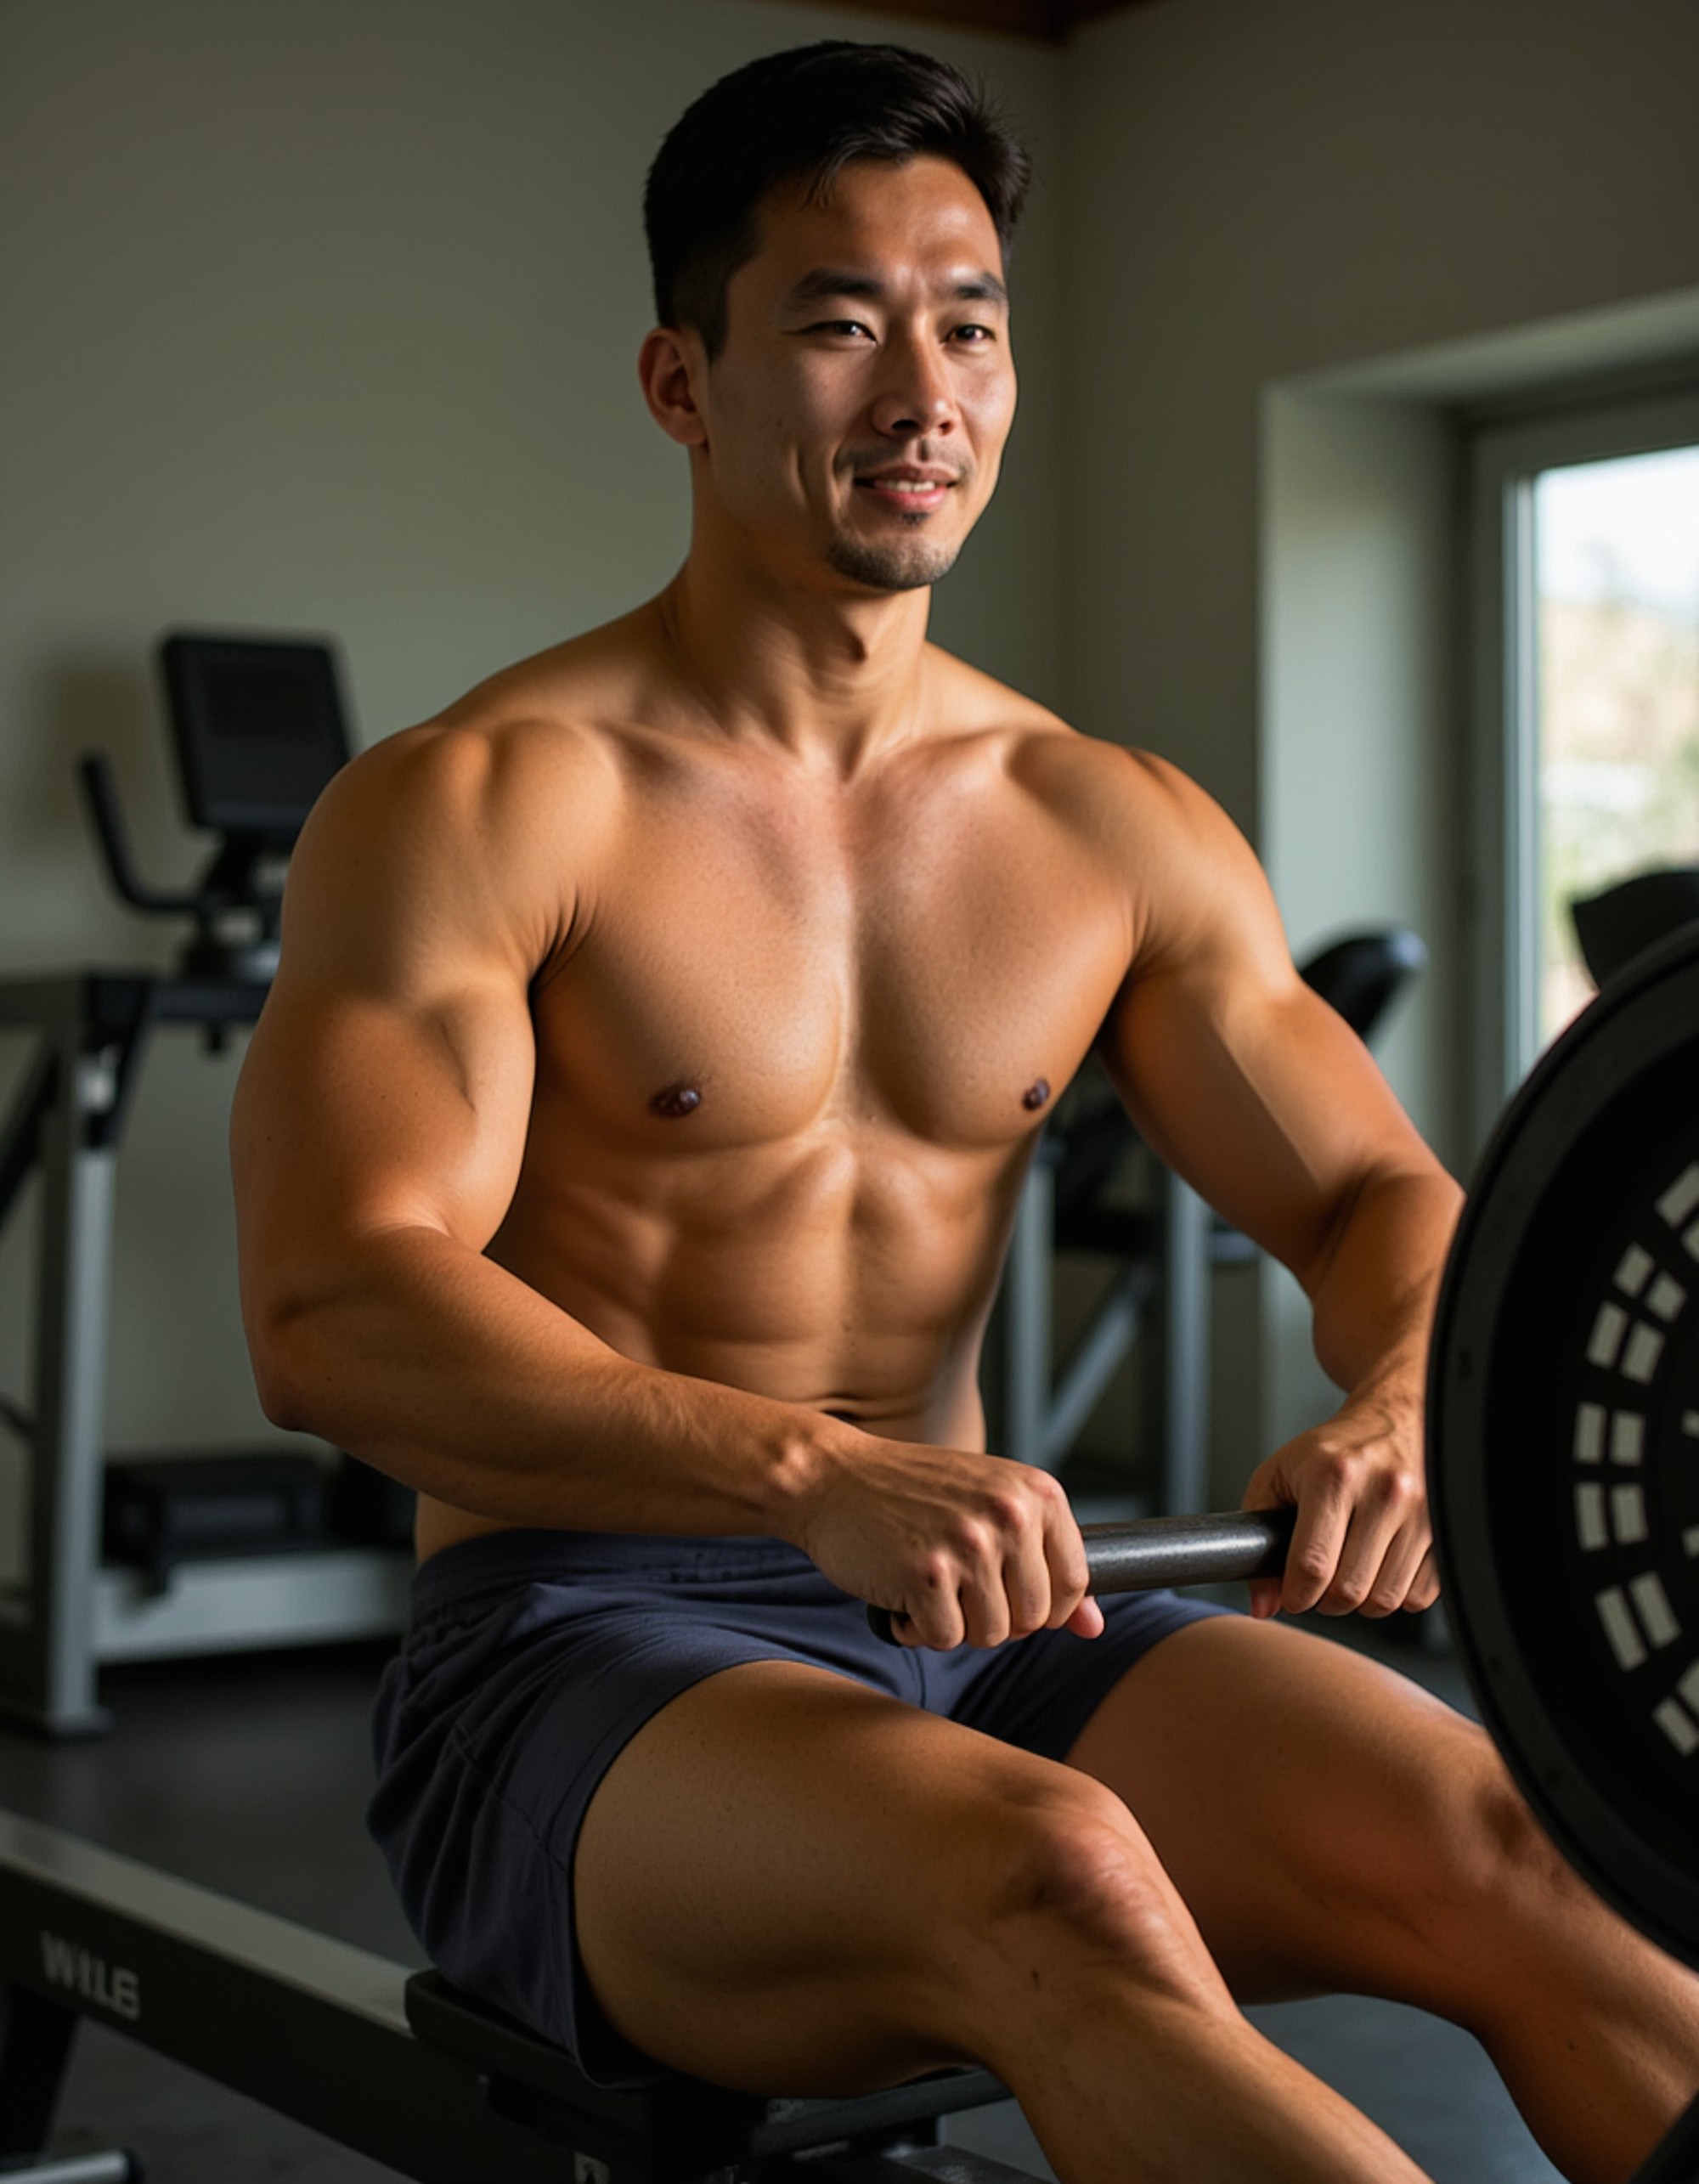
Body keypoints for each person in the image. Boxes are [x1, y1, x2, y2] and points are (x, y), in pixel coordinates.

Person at [230, 41, 1698, 2184]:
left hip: (998, 1615)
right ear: (681, 379)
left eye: (971, 324)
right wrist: (812, 1466)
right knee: (1059, 1883)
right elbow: (337, 1305)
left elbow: (1384, 1189)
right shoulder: (480, 800)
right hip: (581, 1652)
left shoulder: (1103, 822)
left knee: (1512, 1835)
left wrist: (1399, 1400)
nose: (924, 390)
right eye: (838, 324)